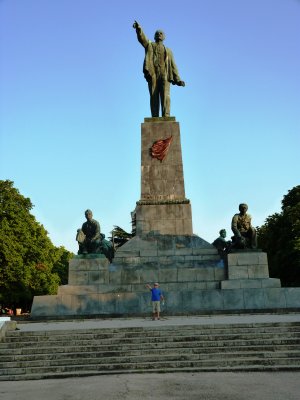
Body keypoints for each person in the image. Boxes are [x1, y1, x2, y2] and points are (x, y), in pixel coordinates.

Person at [133, 20, 185, 117]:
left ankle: (166, 115)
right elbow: (142, 39)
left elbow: (174, 66)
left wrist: (178, 79)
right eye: (157, 33)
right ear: (154, 37)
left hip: (164, 74)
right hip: (153, 74)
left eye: (161, 33)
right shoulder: (150, 45)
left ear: (164, 37)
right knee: (154, 96)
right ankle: (155, 116)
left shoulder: (168, 51)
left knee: (166, 96)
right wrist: (139, 29)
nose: (159, 34)